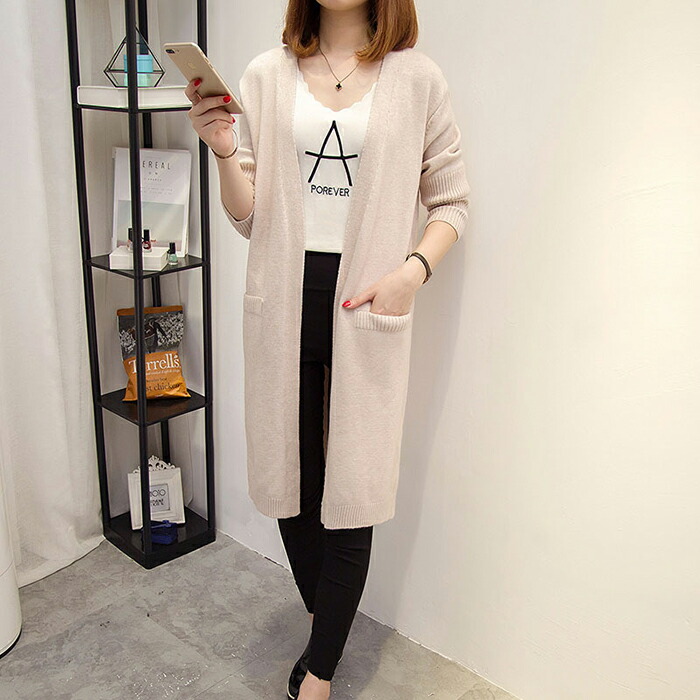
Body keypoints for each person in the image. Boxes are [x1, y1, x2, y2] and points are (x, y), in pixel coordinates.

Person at [185, 1, 470, 698]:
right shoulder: (265, 75)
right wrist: (223, 150)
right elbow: (248, 216)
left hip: (366, 306)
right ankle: (326, 622)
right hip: (282, 304)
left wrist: (411, 273)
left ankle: (320, 671)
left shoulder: (418, 80)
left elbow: (451, 202)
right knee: (290, 482)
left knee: (352, 489)